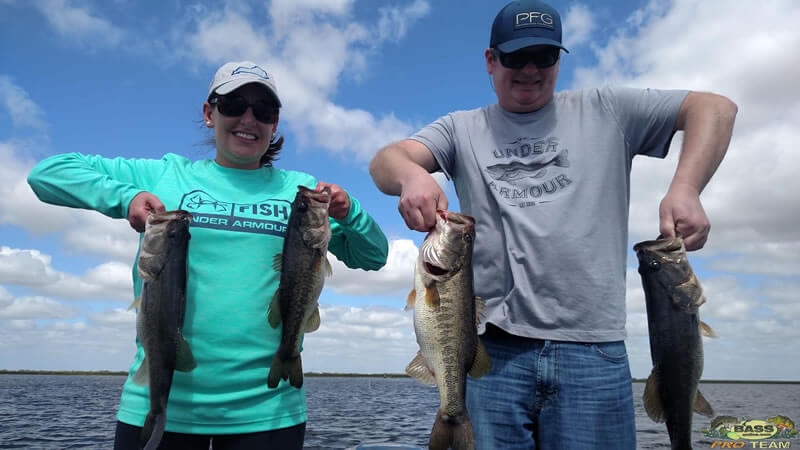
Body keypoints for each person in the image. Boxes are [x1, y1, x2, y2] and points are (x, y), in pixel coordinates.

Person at [368, 0, 737, 448]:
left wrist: (687, 187)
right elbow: (385, 161)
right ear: (490, 60)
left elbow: (715, 108)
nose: (530, 69)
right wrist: (411, 175)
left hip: (593, 353)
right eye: (515, 56)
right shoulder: (459, 130)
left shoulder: (608, 109)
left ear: (559, 60)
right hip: (492, 350)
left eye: (543, 56)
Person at [27, 60, 389, 450]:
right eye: (233, 105)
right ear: (208, 113)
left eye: (263, 110)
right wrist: (125, 197)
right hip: (158, 403)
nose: (248, 118)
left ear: (275, 123)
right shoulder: (165, 174)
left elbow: (374, 256)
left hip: (269, 409)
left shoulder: (302, 192)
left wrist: (349, 211)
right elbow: (46, 174)